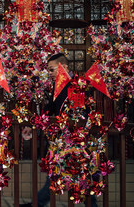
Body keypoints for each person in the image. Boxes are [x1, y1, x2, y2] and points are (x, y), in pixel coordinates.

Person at [20, 53, 98, 207]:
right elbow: (50, 108)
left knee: (84, 174)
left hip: (78, 139)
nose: (49, 74)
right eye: (48, 70)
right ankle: (38, 203)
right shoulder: (59, 85)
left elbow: (82, 113)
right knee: (57, 173)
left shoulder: (78, 84)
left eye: (51, 70)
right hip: (62, 139)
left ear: (65, 67)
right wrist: (33, 124)